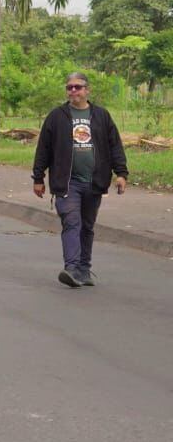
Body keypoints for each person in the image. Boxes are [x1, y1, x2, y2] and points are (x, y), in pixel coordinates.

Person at [33, 73, 128, 288]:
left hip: (94, 182)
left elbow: (115, 146)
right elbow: (44, 149)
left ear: (87, 90)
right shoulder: (57, 116)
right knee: (71, 221)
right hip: (67, 183)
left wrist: (121, 174)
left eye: (77, 87)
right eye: (69, 88)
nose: (73, 91)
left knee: (87, 226)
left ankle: (84, 269)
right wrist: (38, 177)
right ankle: (72, 268)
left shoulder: (101, 116)